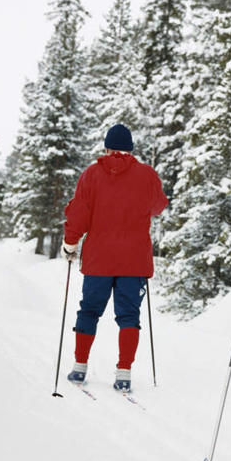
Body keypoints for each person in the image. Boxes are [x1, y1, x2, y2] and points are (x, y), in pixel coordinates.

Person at [62, 123, 168, 392]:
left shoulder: (92, 174)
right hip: (134, 261)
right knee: (129, 316)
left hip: (99, 259)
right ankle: (123, 372)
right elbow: (158, 207)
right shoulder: (146, 175)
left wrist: (70, 242)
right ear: (130, 149)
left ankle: (79, 367)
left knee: (89, 311)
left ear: (107, 147)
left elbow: (79, 213)